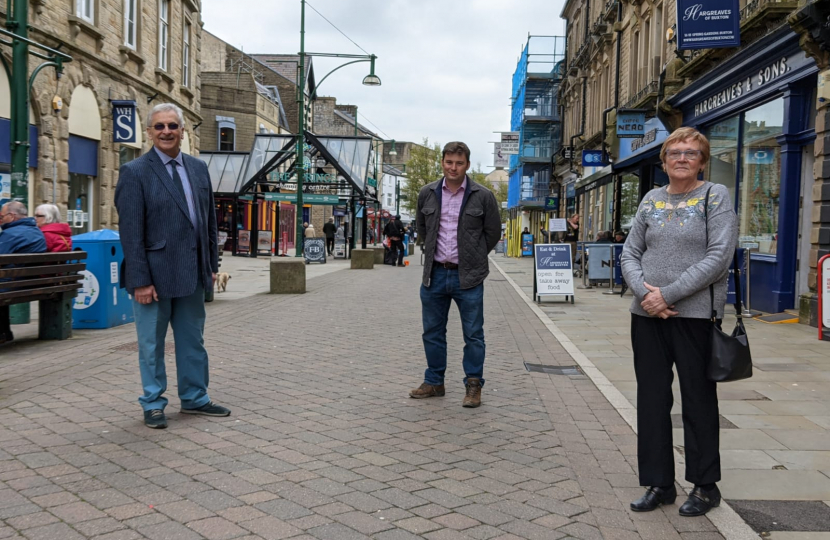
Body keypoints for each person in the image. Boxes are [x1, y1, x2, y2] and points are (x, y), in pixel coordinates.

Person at [621, 127, 737, 517]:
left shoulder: (714, 197)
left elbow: (719, 257)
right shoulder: (651, 200)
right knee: (652, 400)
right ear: (664, 160)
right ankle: (659, 483)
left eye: (690, 153)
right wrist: (645, 295)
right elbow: (629, 253)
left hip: (694, 316)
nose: (682, 158)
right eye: (674, 152)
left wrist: (666, 295)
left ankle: (705, 486)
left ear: (703, 161)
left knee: (698, 401)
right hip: (647, 316)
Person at [114, 103, 230, 430]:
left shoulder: (197, 168)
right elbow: (131, 232)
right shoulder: (135, 172)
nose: (166, 132)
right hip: (153, 276)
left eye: (172, 126)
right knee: (151, 344)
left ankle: (195, 398)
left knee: (193, 341)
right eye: (160, 126)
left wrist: (210, 266)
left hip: (193, 273)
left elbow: (207, 223)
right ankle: (153, 403)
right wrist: (139, 280)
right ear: (150, 132)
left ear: (182, 130)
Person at [411, 141, 500, 408]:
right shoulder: (427, 193)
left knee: (473, 334)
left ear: (467, 165)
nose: (453, 167)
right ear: (442, 162)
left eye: (459, 163)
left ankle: (473, 385)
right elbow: (422, 228)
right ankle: (435, 381)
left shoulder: (482, 195)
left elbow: (493, 233)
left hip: (469, 276)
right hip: (435, 274)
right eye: (449, 162)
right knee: (432, 332)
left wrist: (475, 255)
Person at [0, 201, 48, 345]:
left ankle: (3, 333)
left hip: (12, 284)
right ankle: (3, 332)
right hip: (28, 283)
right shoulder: (36, 231)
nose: (0, 219)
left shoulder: (10, 234)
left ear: (12, 216)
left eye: (1, 216)